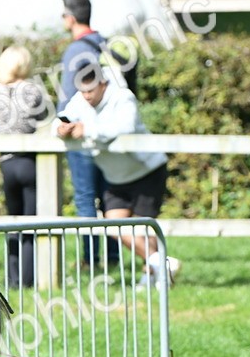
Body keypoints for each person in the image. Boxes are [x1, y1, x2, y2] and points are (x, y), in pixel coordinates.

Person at [57, 67, 181, 287]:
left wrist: (87, 129)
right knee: (114, 226)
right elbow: (57, 122)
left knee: (143, 228)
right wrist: (61, 130)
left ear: (103, 84)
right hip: (115, 177)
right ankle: (162, 264)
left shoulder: (123, 97)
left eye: (91, 91)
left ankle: (153, 275)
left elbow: (126, 126)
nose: (86, 96)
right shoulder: (79, 100)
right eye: (83, 91)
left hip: (146, 172)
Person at [0, 47, 47, 287]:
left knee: (13, 221)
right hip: (30, 161)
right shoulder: (32, 90)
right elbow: (46, 120)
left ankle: (13, 278)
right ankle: (28, 278)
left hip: (7, 163)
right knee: (31, 222)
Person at [60, 0, 122, 266]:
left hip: (83, 136)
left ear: (70, 18)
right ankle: (113, 256)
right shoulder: (105, 44)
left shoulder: (76, 50)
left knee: (85, 199)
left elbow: (69, 97)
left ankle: (89, 258)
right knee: (110, 198)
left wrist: (63, 125)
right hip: (109, 133)